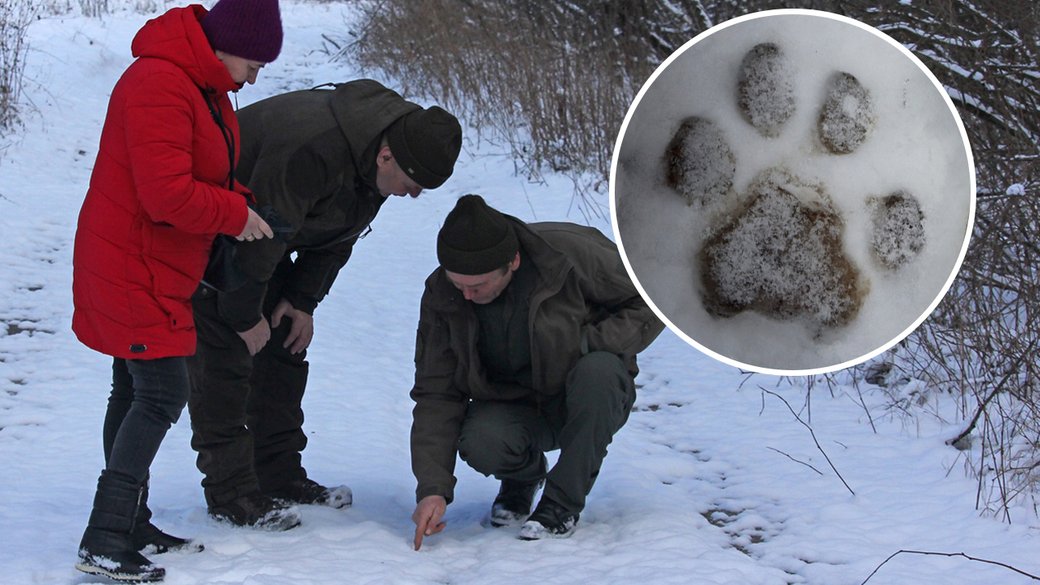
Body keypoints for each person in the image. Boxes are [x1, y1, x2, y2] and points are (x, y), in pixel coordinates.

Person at [186, 80, 463, 530]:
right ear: (386, 157)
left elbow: (341, 230)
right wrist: (242, 316)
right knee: (226, 357)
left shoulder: (389, 145)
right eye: (411, 186)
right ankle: (231, 493)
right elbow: (254, 244)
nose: (410, 196)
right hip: (213, 234)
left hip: (266, 236)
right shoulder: (312, 148)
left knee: (285, 345)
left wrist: (301, 299)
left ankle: (277, 474)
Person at [71, 0, 282, 581]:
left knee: (133, 388)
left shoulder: (201, 85)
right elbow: (165, 194)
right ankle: (105, 535)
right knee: (162, 392)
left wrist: (243, 202)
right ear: (226, 43)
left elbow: (203, 170)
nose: (256, 75)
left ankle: (130, 521)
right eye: (255, 61)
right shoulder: (160, 82)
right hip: (133, 262)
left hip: (151, 262)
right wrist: (232, 216)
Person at [409, 194, 665, 548]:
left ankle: (561, 505)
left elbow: (652, 297)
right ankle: (522, 479)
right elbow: (436, 392)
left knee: (600, 373)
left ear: (512, 262)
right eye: (458, 285)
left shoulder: (569, 254)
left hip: (581, 394)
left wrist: (591, 342)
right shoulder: (442, 295)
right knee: (481, 440)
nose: (466, 296)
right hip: (511, 407)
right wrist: (432, 489)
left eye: (478, 286)